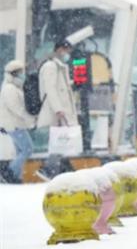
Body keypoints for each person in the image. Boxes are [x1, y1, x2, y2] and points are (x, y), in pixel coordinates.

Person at [35, 40, 79, 180]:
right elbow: (50, 89)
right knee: (59, 141)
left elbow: (61, 88)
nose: (68, 54)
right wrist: (58, 109)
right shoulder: (50, 66)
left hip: (60, 110)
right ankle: (47, 169)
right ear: (60, 49)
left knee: (61, 141)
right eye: (67, 51)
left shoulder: (59, 67)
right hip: (55, 111)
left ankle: (64, 169)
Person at [0, 60, 35, 183]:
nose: (22, 74)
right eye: (20, 72)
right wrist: (29, 118)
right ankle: (8, 171)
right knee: (28, 149)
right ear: (14, 73)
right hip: (14, 125)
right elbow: (16, 108)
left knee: (20, 151)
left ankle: (16, 176)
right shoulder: (9, 88)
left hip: (16, 124)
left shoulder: (13, 87)